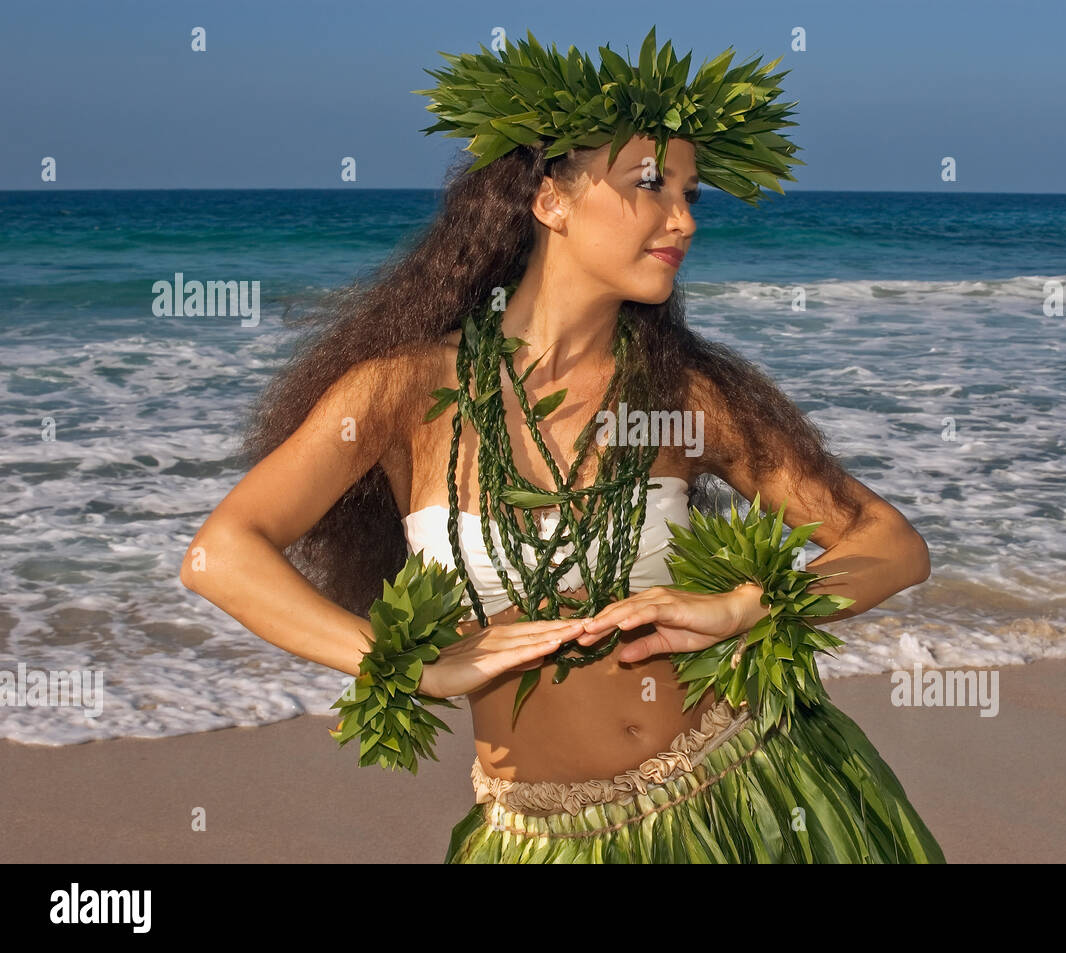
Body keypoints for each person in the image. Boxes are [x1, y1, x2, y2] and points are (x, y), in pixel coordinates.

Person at [181, 28, 946, 863]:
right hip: (538, 837)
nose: (683, 218)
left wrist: (750, 607)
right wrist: (410, 666)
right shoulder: (398, 394)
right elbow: (222, 554)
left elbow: (890, 543)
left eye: (692, 192)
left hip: (754, 798)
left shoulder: (685, 395)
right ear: (551, 199)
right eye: (649, 184)